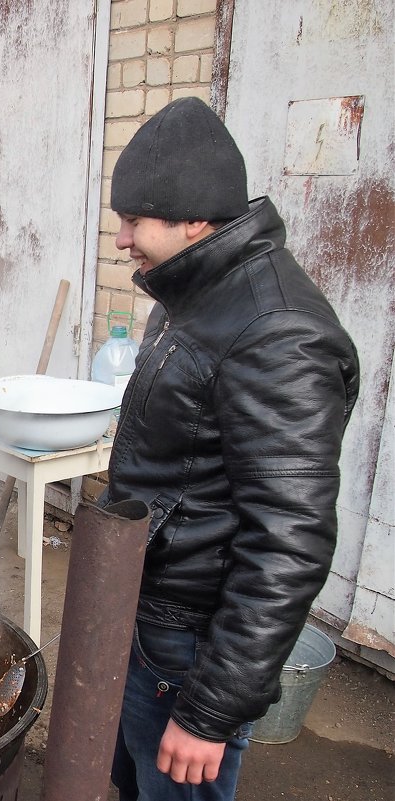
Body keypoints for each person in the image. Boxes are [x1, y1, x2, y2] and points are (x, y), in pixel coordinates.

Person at [100, 97, 360, 801]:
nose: (121, 238)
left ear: (193, 219)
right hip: (148, 613)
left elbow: (289, 542)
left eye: (133, 220)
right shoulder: (194, 288)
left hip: (189, 646)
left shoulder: (276, 333)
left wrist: (207, 710)